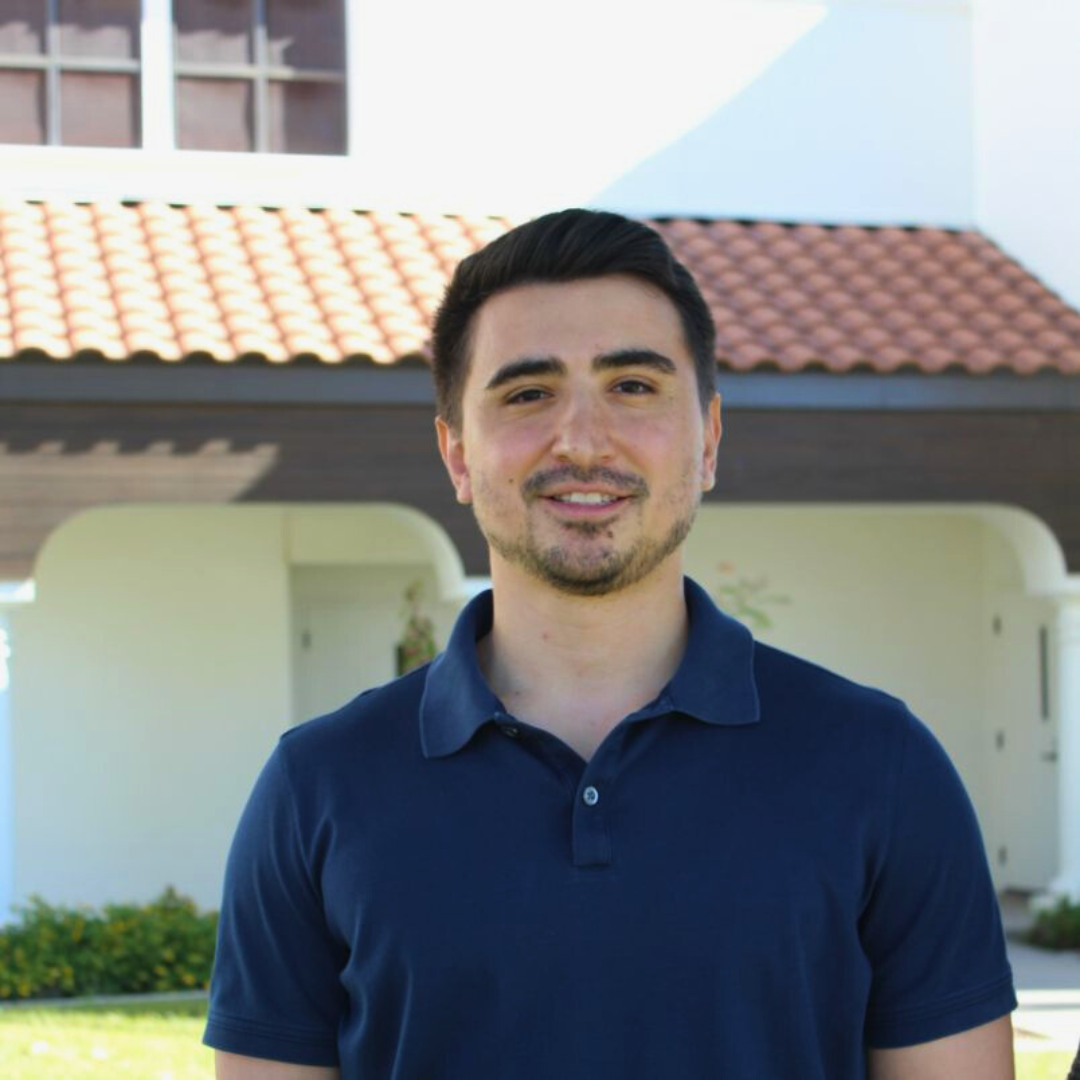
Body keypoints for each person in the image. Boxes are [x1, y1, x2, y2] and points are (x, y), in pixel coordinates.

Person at [204, 209, 1017, 1078]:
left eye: (633, 386)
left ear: (706, 439)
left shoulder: (881, 768)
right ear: (456, 455)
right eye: (527, 394)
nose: (583, 440)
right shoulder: (318, 787)